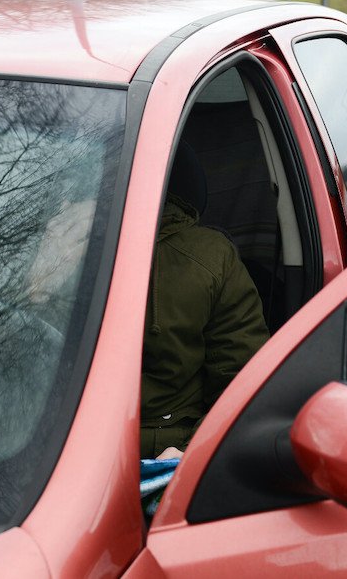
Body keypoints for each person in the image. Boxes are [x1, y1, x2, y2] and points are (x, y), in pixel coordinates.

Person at [140, 141, 268, 458]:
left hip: (166, 453)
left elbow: (241, 382)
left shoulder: (209, 259)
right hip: (54, 452)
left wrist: (188, 453)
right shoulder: (48, 250)